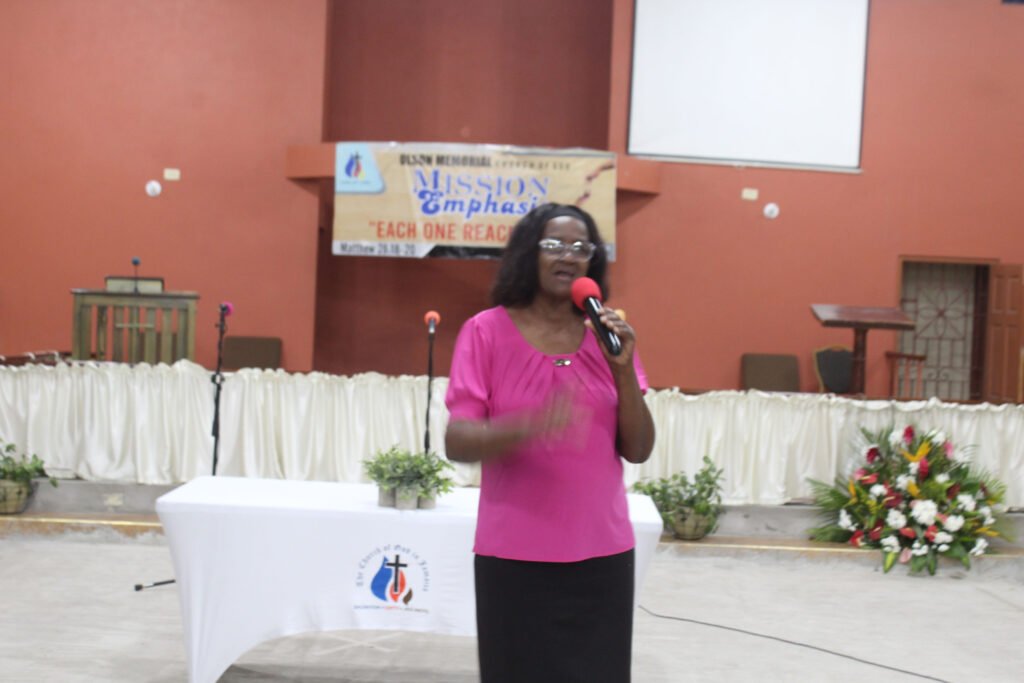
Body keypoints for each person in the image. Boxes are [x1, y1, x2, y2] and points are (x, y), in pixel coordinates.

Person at [444, 203, 655, 683]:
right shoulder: (486, 332)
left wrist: (623, 372)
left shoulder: (607, 337)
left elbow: (639, 448)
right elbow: (457, 441)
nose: (569, 256)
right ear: (528, 254)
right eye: (554, 245)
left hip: (601, 555)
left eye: (582, 248)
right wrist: (528, 425)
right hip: (515, 558)